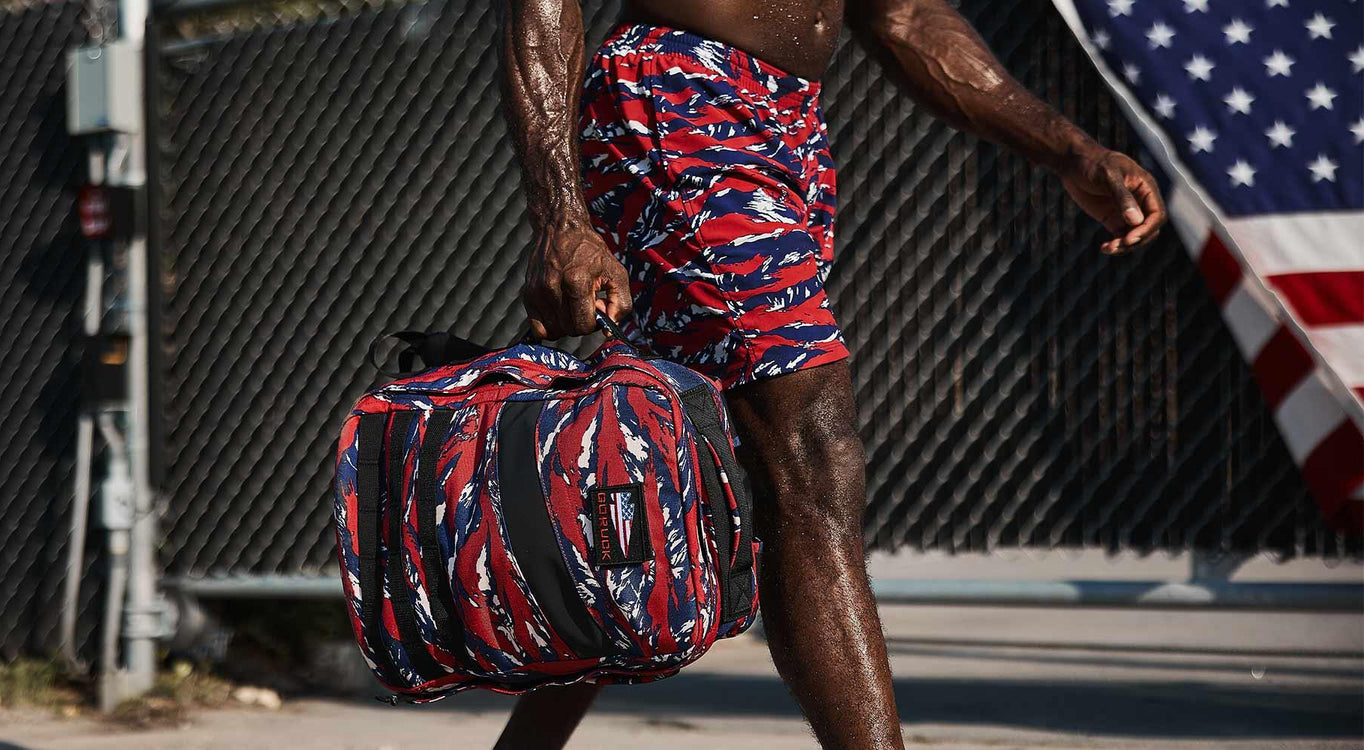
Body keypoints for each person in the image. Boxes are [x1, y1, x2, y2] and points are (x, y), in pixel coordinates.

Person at [493, 0, 1167, 746]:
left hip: (789, 120)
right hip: (676, 94)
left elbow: (904, 15)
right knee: (811, 450)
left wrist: (1066, 148)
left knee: (662, 484)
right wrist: (560, 215)